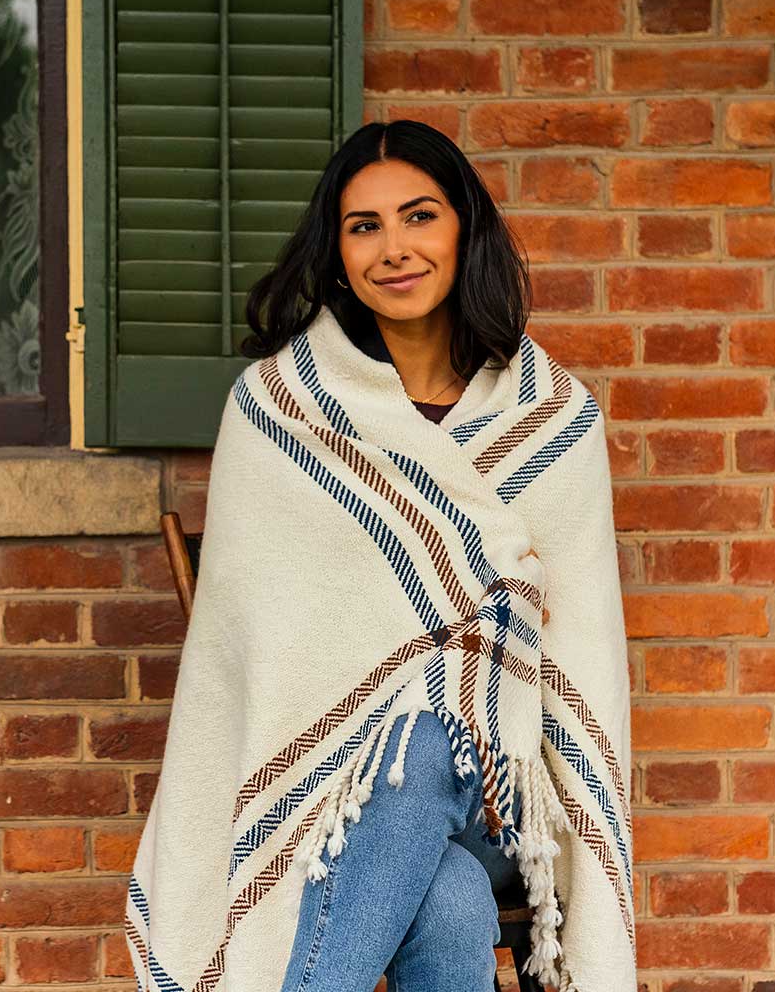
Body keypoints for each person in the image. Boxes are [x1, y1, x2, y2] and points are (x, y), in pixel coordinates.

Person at [244, 120, 536, 991]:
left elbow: (572, 641)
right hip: (322, 782)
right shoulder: (283, 408)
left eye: (419, 217)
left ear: (463, 231)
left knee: (426, 741)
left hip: (500, 798)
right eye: (364, 226)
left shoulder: (545, 416)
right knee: (445, 900)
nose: (394, 249)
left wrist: (481, 714)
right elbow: (257, 633)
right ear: (335, 253)